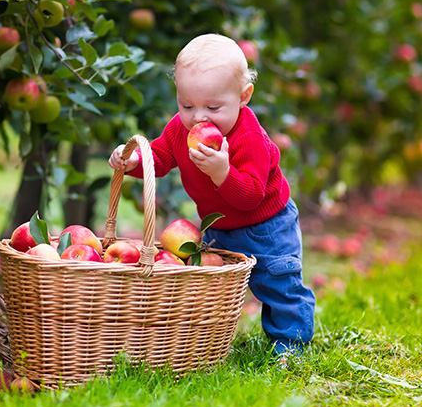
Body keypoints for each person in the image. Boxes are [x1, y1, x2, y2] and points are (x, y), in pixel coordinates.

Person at [108, 33, 315, 357]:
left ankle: (291, 345)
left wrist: (222, 172)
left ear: (244, 96)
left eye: (213, 107)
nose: (199, 117)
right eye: (187, 105)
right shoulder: (181, 128)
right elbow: (161, 157)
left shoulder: (249, 139)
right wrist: (131, 161)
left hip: (267, 227)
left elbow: (250, 196)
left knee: (278, 284)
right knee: (216, 288)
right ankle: (211, 343)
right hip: (219, 227)